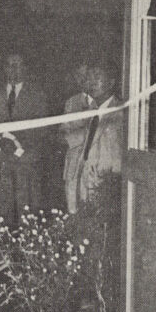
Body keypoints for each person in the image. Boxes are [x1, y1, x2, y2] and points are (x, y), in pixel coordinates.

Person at [0, 52, 47, 226]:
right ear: (4, 69)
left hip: (26, 160)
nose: (13, 69)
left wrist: (17, 144)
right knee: (2, 208)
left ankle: (29, 247)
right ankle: (6, 247)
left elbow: (42, 127)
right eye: (9, 65)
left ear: (25, 68)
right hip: (0, 161)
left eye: (17, 65)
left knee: (28, 207)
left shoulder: (37, 95)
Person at [78, 62, 125, 205]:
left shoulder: (121, 111)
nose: (91, 82)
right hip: (87, 180)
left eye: (97, 77)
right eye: (89, 77)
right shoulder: (89, 110)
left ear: (111, 82)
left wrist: (112, 181)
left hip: (107, 184)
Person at [61, 61, 94, 214]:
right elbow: (63, 131)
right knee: (72, 207)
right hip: (73, 164)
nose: (82, 80)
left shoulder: (102, 102)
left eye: (85, 75)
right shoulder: (71, 102)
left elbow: (93, 131)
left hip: (93, 165)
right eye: (78, 76)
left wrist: (73, 138)